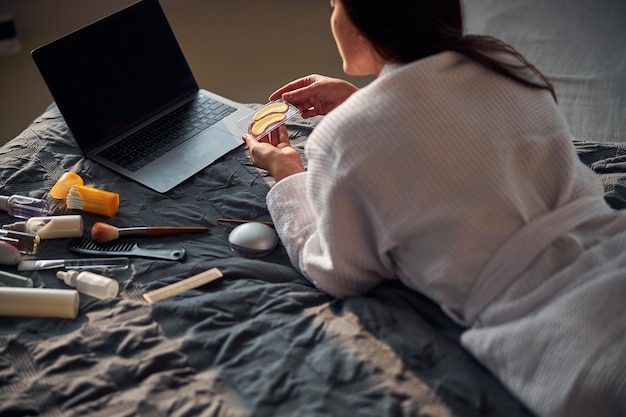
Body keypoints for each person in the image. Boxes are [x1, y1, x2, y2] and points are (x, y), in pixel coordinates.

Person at [242, 1, 626, 416]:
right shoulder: (501, 59)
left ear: (364, 18)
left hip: (564, 337)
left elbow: (335, 272)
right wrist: (364, 102)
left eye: (334, 4)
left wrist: (287, 174)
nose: (332, 16)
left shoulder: (343, 137)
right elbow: (460, 136)